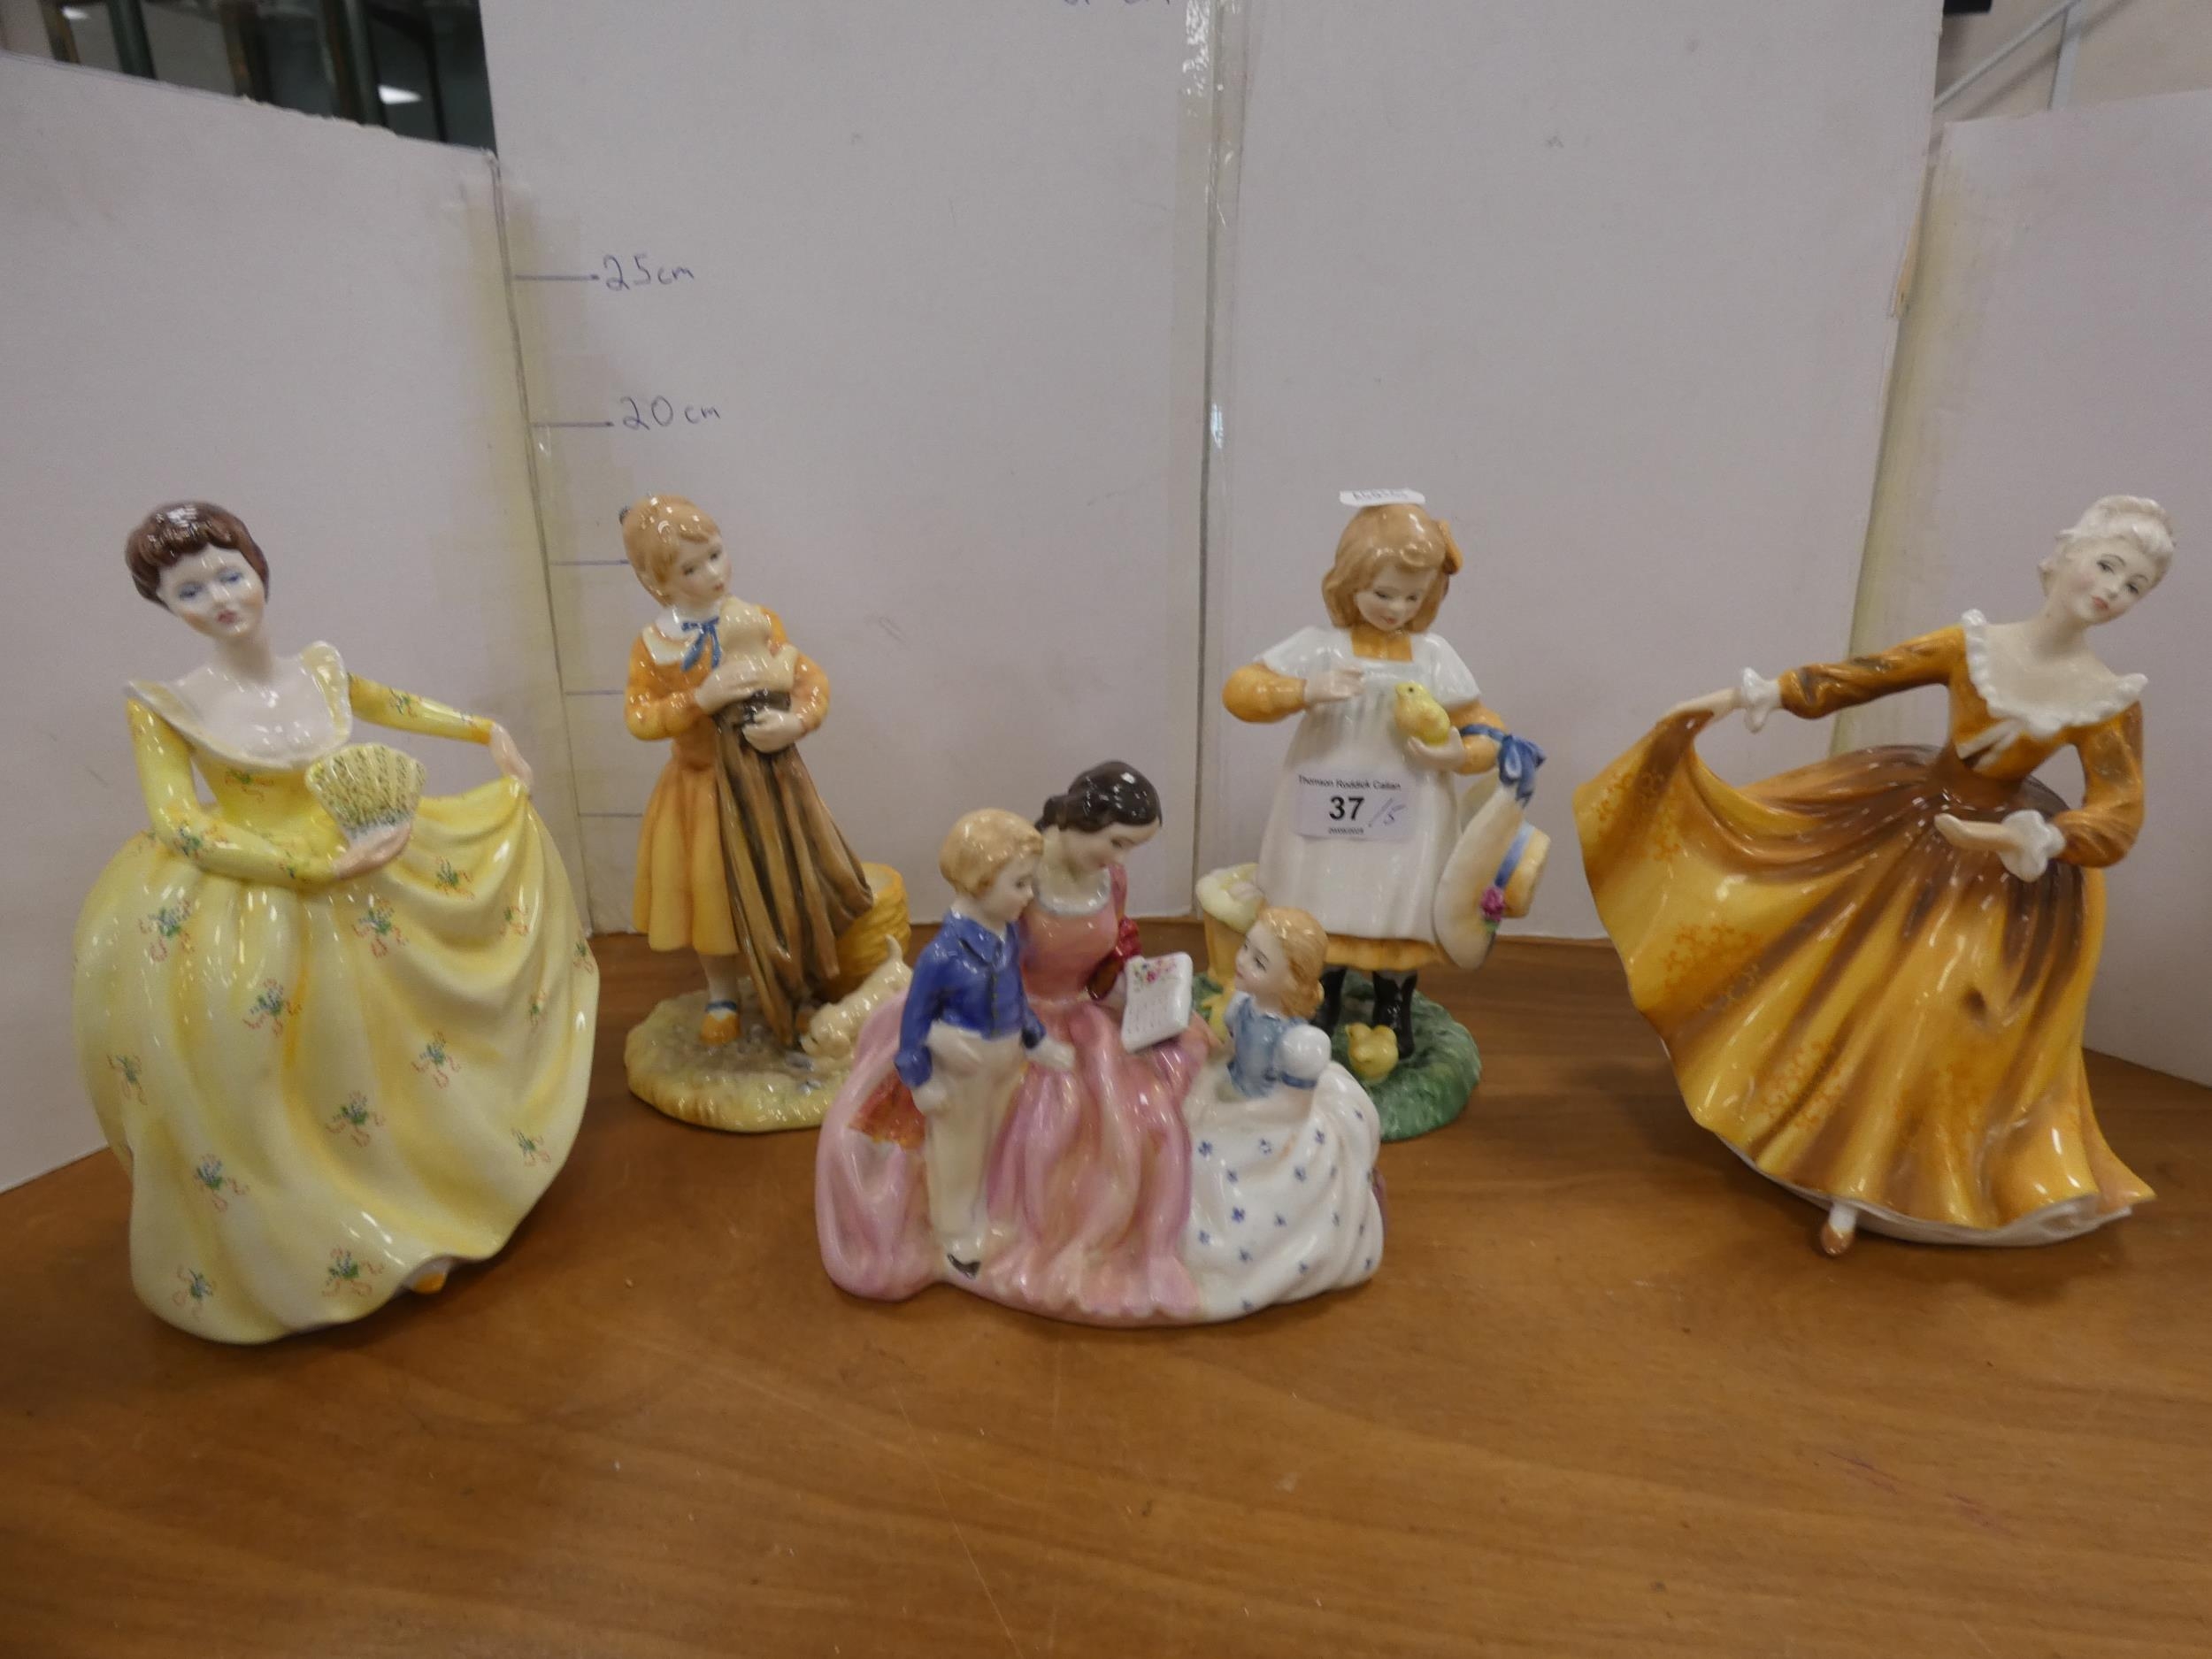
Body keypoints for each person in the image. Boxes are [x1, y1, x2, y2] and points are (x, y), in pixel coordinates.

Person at [1576, 495, 2168, 1255]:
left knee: (1932, 1004)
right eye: (2108, 564)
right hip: (1907, 818)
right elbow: (1860, 677)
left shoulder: (2109, 699)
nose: (2113, 589)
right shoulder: (1972, 645)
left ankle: (1876, 1179)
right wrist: (1750, 695)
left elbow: (2120, 809)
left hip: (2006, 867)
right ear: (2064, 557)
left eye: (2134, 584)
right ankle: (1807, 1136)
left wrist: (2039, 836)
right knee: (1834, 964)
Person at [73, 502, 596, 1341]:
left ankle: (435, 1194)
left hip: (370, 864)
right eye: (191, 590)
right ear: (165, 604)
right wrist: (306, 868)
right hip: (262, 895)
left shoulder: (316, 669)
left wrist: (481, 728)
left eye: (230, 574)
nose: (221, 598)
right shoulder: (168, 705)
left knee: (403, 1044)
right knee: (301, 1059)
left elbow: (387, 702)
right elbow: (178, 821)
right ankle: (345, 1236)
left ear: (259, 568)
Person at [1222, 502, 1517, 1062]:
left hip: (1407, 806)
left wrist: (1460, 751)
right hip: (1322, 803)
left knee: (1398, 902)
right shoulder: (1321, 646)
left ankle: (1393, 1003)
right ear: (1350, 582)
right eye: (1383, 593)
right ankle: (1319, 991)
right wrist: (1302, 690)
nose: (1396, 609)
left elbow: (1486, 728)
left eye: (1413, 597)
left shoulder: (1433, 656)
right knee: (1318, 893)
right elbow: (1240, 690)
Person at [619, 494, 873, 1047]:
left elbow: (807, 680)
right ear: (658, 583)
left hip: (768, 784)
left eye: (715, 554)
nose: (713, 574)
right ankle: (722, 993)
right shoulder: (654, 646)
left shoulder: (758, 621)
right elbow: (638, 717)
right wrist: (698, 699)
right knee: (712, 897)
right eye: (691, 569)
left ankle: (790, 985)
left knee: (784, 885)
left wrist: (795, 722)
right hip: (702, 791)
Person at [982, 762, 1213, 1321]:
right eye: (1117, 842)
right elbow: (990, 963)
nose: (1121, 859)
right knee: (1073, 1114)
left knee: (1157, 1085)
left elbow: (1112, 951)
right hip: (1022, 1018)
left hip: (1087, 1012)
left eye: (1131, 847)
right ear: (1084, 818)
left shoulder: (1110, 879)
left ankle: (1152, 1236)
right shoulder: (1021, 877)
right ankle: (1061, 1231)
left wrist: (1135, 987)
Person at [894, 810, 1073, 1275]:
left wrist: (1035, 1039)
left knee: (993, 1141)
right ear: (980, 882)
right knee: (959, 1151)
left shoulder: (1007, 935)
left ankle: (984, 1212)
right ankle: (953, 1232)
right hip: (964, 1069)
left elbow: (1015, 995)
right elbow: (914, 1023)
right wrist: (921, 1080)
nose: (1030, 895)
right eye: (1020, 884)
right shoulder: (943, 955)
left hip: (1006, 1058)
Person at [1182, 907, 1384, 1317]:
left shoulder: (1300, 1045)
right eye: (1246, 948)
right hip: (1236, 1090)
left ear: (1290, 980)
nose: (1241, 961)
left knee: (1208, 1164)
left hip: (1275, 1122)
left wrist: (1230, 1117)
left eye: (1259, 961)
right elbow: (1233, 1052)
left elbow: (1289, 1108)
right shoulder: (1242, 1005)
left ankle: (1220, 1259)